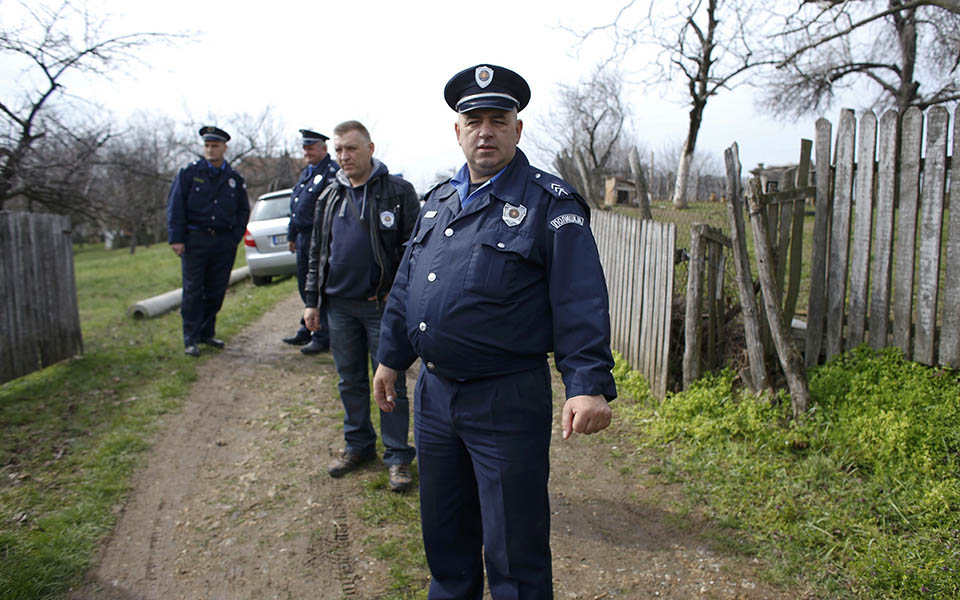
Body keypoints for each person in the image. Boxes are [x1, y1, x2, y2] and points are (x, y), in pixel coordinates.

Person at [373, 64, 617, 599]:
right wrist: (391, 357)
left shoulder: (550, 203)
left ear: (517, 130)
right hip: (435, 397)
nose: (486, 131)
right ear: (457, 131)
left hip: (505, 399)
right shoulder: (438, 201)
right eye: (474, 121)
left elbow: (578, 297)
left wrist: (586, 383)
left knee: (514, 550)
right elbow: (409, 283)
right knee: (446, 540)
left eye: (498, 121)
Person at [303, 120, 419, 492]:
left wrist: (397, 295)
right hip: (339, 307)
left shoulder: (398, 191)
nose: (344, 156)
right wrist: (312, 301)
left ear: (370, 148)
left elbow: (414, 252)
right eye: (338, 150)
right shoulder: (328, 196)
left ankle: (398, 456)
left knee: (390, 382)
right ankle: (358, 445)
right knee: (349, 381)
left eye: (351, 148)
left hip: (380, 308)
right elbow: (316, 253)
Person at [167, 126, 250, 357]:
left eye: (215, 146)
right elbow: (176, 206)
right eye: (207, 146)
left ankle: (206, 332)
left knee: (216, 290)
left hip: (223, 242)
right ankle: (191, 338)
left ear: (224, 148)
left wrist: (234, 238)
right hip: (196, 240)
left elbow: (243, 210)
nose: (211, 150)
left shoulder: (234, 178)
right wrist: (176, 238)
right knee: (193, 291)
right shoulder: (189, 173)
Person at [282, 129, 339, 355]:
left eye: (311, 148)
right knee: (304, 285)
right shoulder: (307, 172)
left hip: (321, 238)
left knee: (318, 285)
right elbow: (296, 206)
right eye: (304, 148)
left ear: (323, 149)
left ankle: (322, 335)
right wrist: (291, 234)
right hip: (303, 237)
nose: (306, 152)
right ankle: (308, 326)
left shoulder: (331, 172)